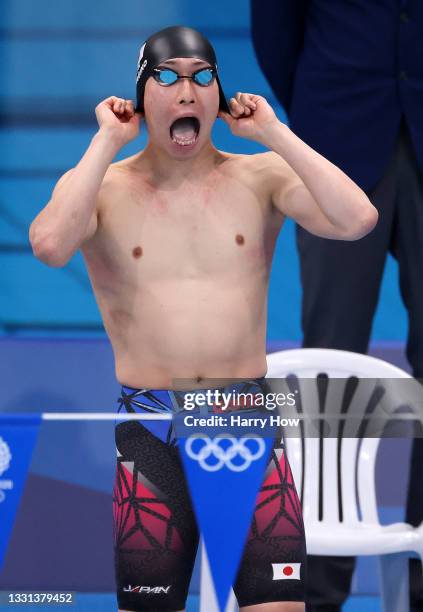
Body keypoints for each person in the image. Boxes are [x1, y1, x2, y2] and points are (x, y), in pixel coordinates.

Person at [29, 25, 377, 612]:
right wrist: (104, 142)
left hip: (246, 420)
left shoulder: (260, 175)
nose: (186, 92)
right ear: (141, 97)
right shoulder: (105, 187)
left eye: (202, 77)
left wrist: (274, 132)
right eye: (167, 78)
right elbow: (51, 245)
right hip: (151, 429)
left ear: (220, 96)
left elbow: (357, 219)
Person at [251, 2, 423, 611]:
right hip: (338, 139)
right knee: (330, 364)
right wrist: (313, 119)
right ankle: (320, 590)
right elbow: (274, 26)